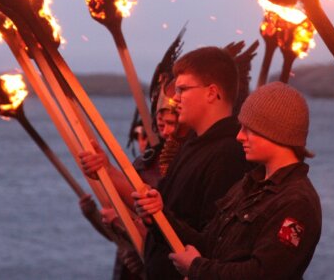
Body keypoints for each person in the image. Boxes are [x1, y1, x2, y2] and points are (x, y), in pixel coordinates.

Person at [135, 82, 322, 280]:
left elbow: (262, 274)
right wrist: (158, 216)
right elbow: (207, 243)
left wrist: (196, 269)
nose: (240, 136)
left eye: (249, 129)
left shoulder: (296, 202)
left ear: (276, 132)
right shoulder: (247, 185)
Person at [139, 46, 252, 279]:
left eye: (182, 89)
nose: (175, 98)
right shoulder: (191, 143)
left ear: (211, 93)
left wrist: (162, 216)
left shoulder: (229, 155)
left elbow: (213, 242)